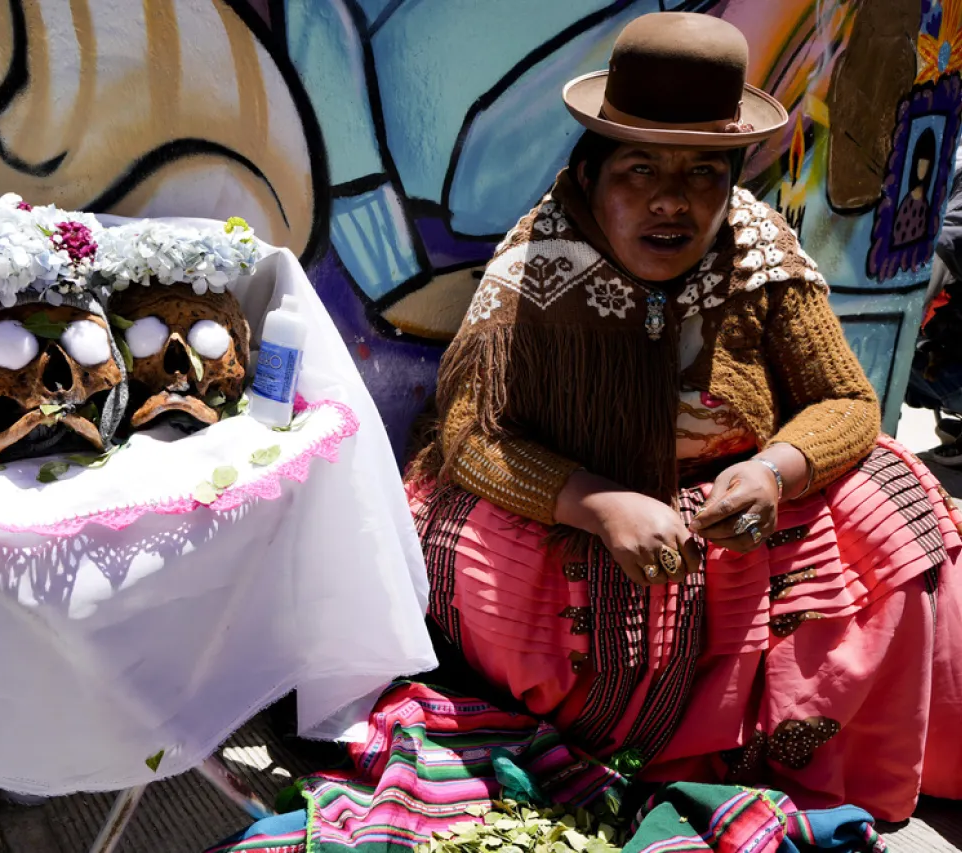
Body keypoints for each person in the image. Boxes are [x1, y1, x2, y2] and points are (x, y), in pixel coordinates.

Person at [406, 12, 962, 822]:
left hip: (732, 516)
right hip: (584, 515)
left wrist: (772, 470)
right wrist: (599, 503)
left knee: (889, 492)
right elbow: (472, 437)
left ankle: (807, 743)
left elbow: (846, 403)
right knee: (473, 546)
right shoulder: (538, 263)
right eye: (639, 168)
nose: (672, 200)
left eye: (704, 172)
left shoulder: (757, 246)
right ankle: (629, 740)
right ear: (591, 173)